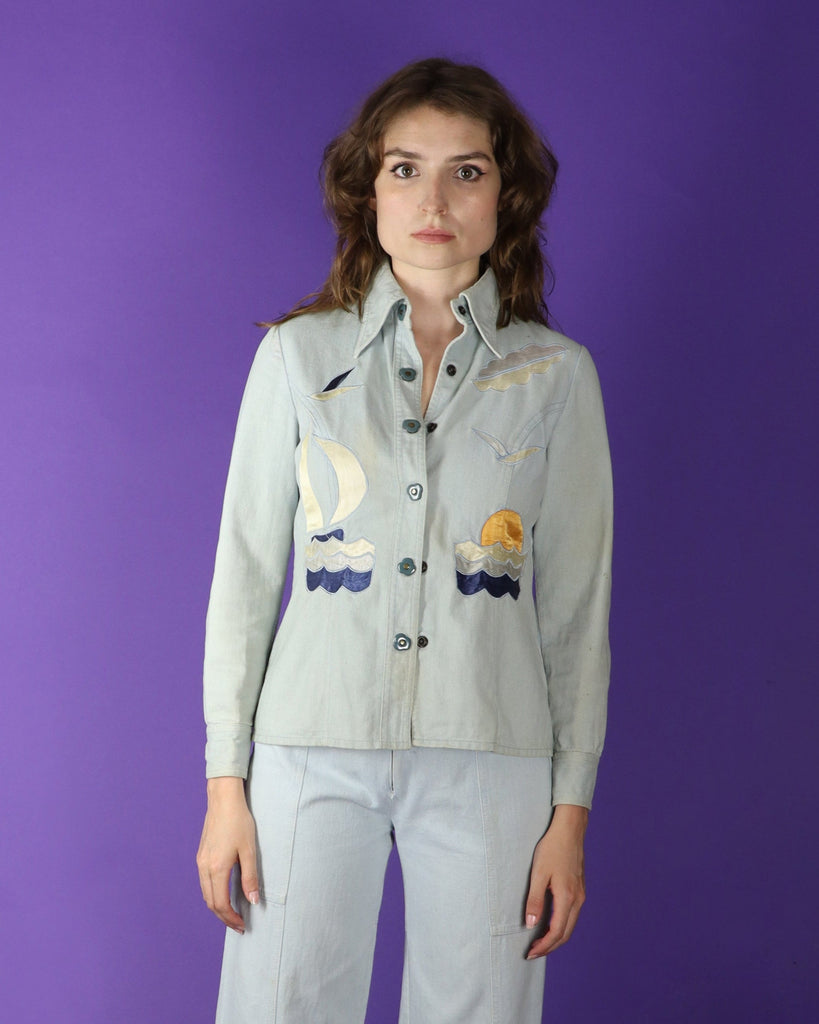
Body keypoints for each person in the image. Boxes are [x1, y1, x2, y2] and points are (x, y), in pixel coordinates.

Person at [197, 57, 613, 1023]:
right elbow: (245, 578)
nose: (433, 200)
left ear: (505, 195)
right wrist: (226, 789)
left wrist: (569, 814)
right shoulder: (296, 358)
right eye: (404, 169)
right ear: (367, 190)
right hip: (308, 748)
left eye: (466, 171)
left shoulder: (555, 377)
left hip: (491, 751)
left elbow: (578, 608)